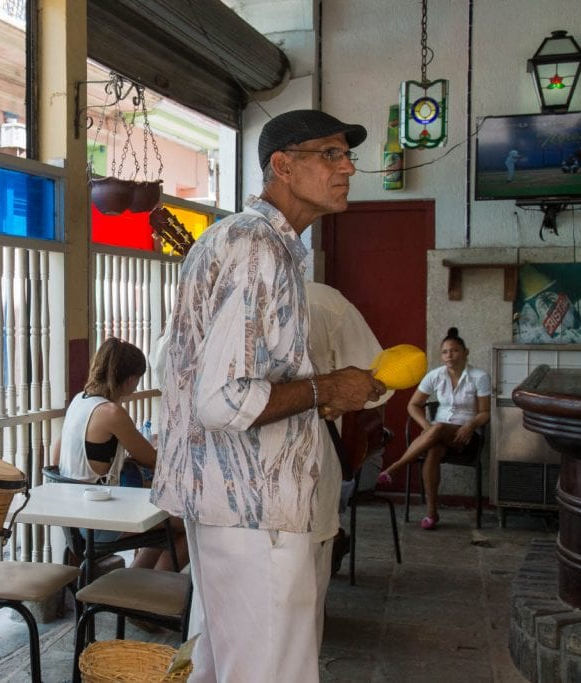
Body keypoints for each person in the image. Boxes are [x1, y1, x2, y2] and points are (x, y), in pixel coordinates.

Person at [151, 109, 385, 683]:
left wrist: (313, 398)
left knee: (225, 668)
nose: (348, 167)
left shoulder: (246, 241)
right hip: (257, 515)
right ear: (281, 166)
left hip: (233, 507)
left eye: (346, 154)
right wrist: (328, 386)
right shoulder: (258, 249)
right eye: (329, 154)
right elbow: (224, 400)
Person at [53, 337, 187, 572]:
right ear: (129, 379)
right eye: (138, 379)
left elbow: (56, 457)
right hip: (99, 522)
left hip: (75, 517)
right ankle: (159, 592)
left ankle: (136, 587)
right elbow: (153, 460)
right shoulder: (111, 412)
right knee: (187, 524)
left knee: (163, 526)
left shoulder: (79, 402)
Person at [305, 281, 393, 575]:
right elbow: (375, 386)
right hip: (310, 471)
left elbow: (373, 386)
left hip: (231, 492)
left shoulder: (324, 303)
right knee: (308, 588)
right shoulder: (323, 301)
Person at [378, 327, 491, 530]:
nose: (449, 356)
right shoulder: (435, 375)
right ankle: (432, 514)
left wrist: (470, 424)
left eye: (455, 350)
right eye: (445, 352)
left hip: (466, 437)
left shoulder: (479, 376)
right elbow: (413, 405)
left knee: (437, 429)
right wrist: (427, 427)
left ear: (466, 352)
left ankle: (396, 467)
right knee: (433, 450)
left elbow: (485, 412)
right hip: (438, 434)